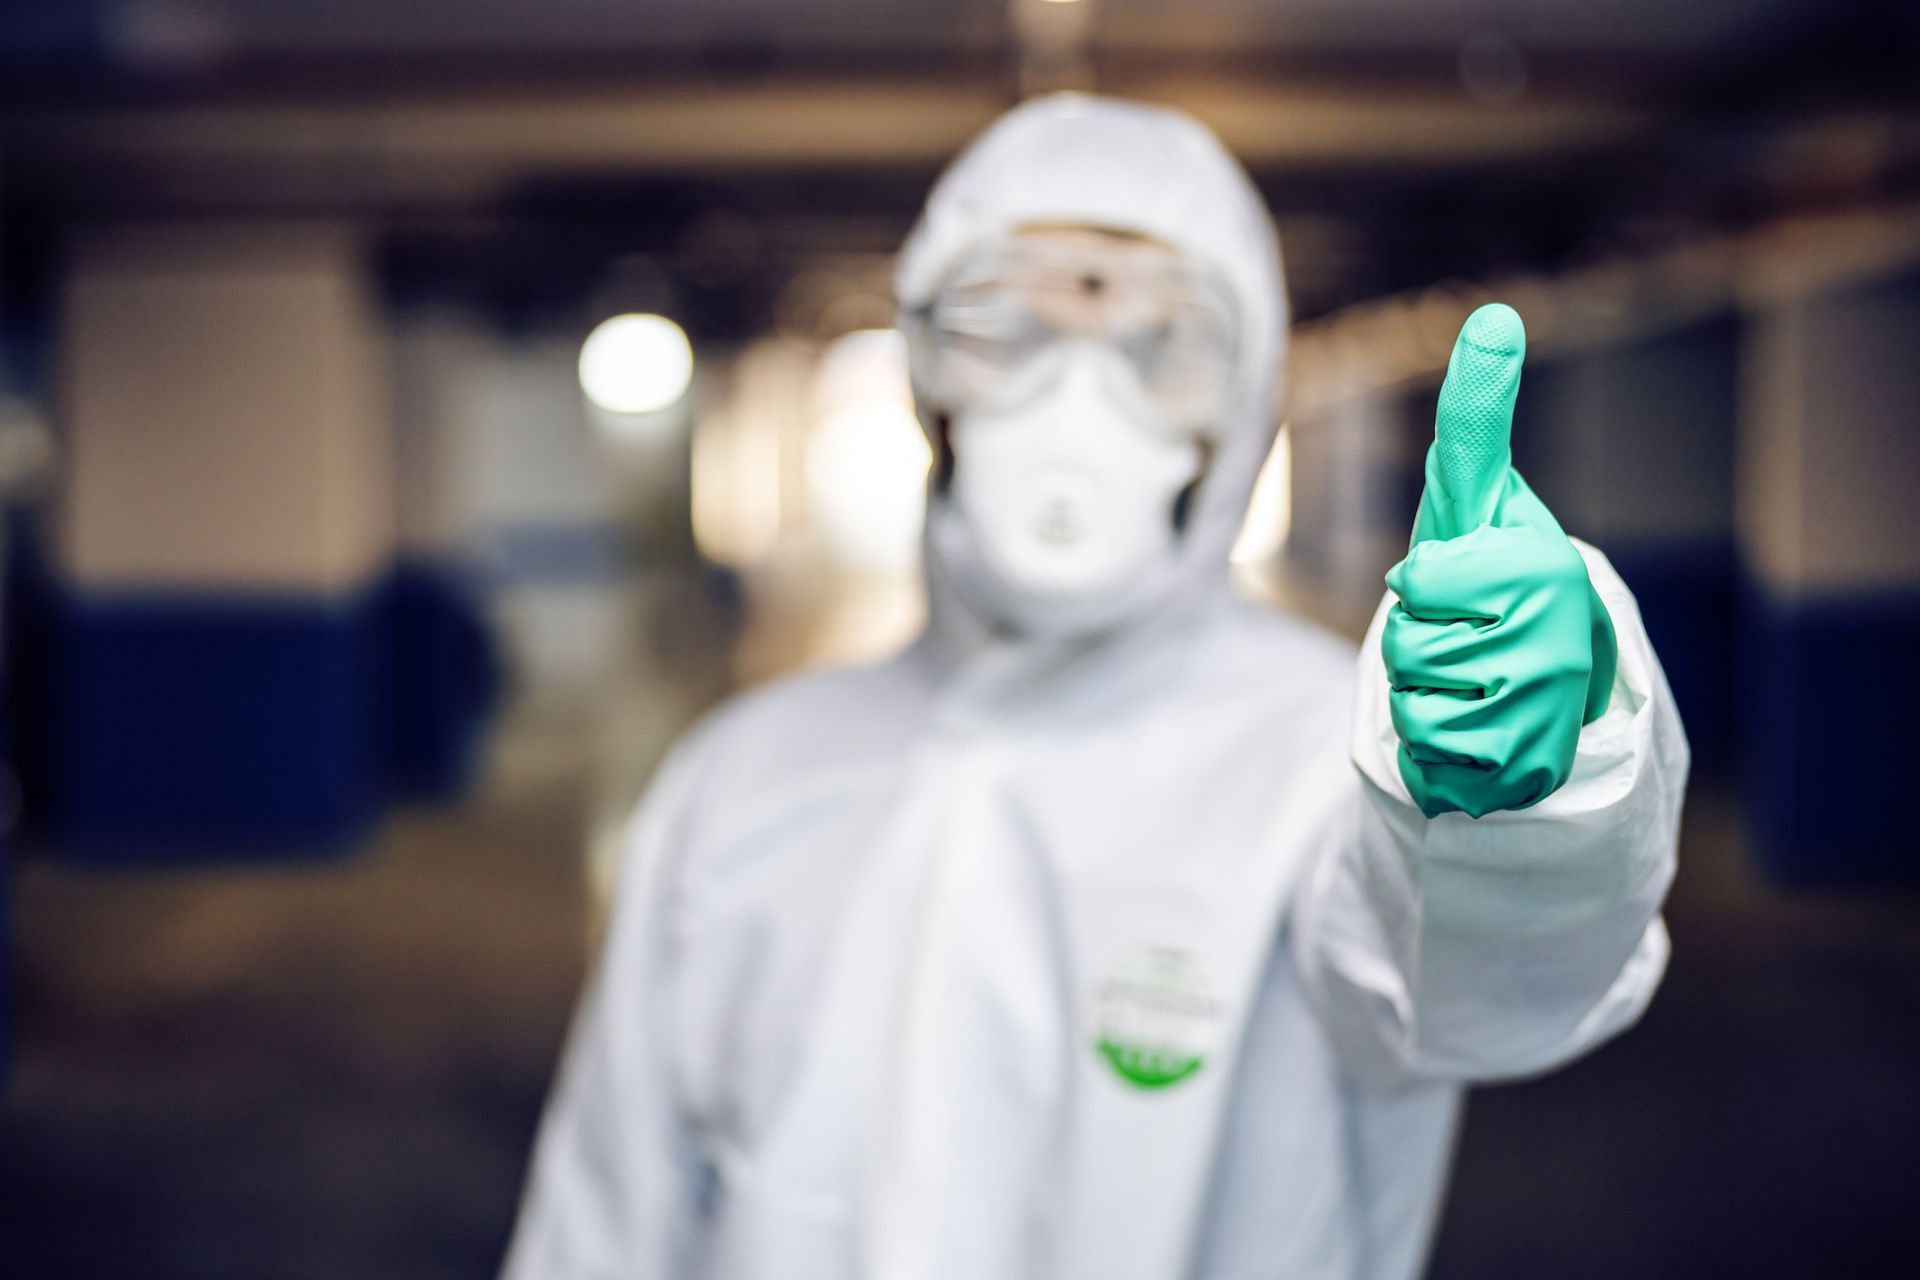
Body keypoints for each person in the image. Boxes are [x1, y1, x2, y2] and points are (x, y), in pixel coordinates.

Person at [501, 93, 1688, 1280]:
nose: (1077, 396)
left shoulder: (1330, 760)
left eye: (1162, 343)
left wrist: (1524, 794)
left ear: (1245, 393)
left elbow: (1482, 978)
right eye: (1005, 325)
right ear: (924, 366)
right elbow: (608, 1207)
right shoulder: (739, 779)